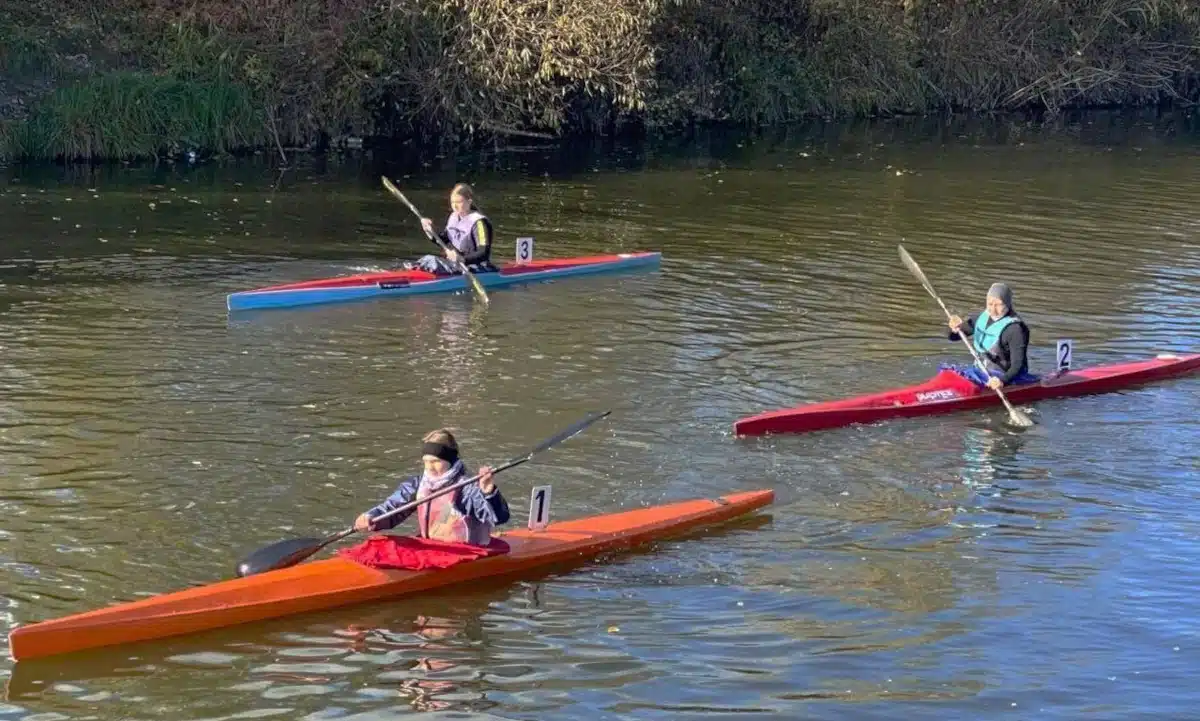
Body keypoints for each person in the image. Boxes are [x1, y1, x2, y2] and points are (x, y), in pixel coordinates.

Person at [353, 429, 510, 546]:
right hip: (433, 547)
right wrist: (371, 517)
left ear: (451, 460)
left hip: (466, 551)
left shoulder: (466, 487)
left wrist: (488, 491)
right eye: (426, 461)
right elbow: (393, 508)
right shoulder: (418, 484)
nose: (429, 467)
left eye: (435, 461)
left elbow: (499, 518)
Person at [946, 282, 1037, 389]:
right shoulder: (981, 318)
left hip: (1006, 376)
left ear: (1007, 304)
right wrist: (953, 328)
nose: (993, 309)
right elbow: (953, 337)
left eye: (998, 304)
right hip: (981, 371)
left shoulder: (1015, 330)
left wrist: (1003, 381)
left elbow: (1018, 365)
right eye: (989, 304)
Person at [407, 183, 498, 275]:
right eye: (452, 202)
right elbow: (444, 240)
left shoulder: (479, 222)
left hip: (476, 267)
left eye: (458, 202)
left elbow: (483, 252)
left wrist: (462, 259)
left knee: (432, 260)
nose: (454, 206)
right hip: (456, 264)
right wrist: (429, 231)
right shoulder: (454, 217)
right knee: (427, 259)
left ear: (469, 201)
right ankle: (413, 271)